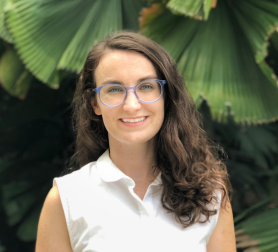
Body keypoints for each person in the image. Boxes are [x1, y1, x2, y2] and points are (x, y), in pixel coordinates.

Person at [35, 32, 236, 252]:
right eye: (114, 89)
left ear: (166, 96)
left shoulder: (210, 193)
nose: (131, 105)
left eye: (147, 86)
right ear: (95, 104)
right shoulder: (66, 199)